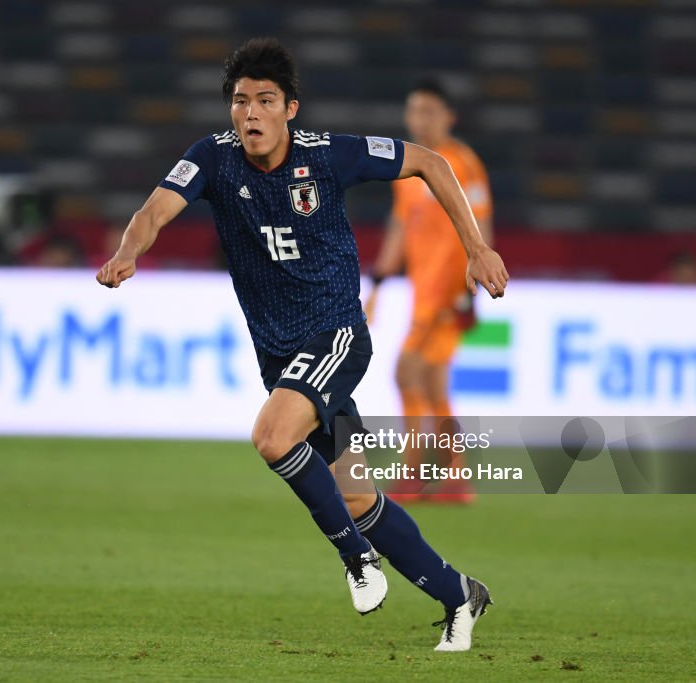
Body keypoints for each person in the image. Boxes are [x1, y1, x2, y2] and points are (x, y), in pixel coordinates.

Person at [96, 38, 508, 652]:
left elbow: (430, 161)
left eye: (265, 101)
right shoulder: (213, 157)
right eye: (240, 102)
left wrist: (476, 247)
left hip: (337, 335)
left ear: (291, 108)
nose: (251, 114)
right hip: (280, 354)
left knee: (271, 436)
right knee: (360, 496)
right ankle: (459, 594)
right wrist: (130, 250)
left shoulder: (329, 156)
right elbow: (155, 210)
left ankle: (356, 561)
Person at [364, 78, 494, 504]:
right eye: (415, 110)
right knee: (432, 383)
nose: (421, 119)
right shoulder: (407, 167)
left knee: (407, 372)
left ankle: (416, 473)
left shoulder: (462, 163)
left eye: (430, 111)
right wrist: (379, 283)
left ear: (448, 117)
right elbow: (400, 226)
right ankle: (453, 478)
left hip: (450, 291)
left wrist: (471, 288)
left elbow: (480, 225)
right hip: (422, 292)